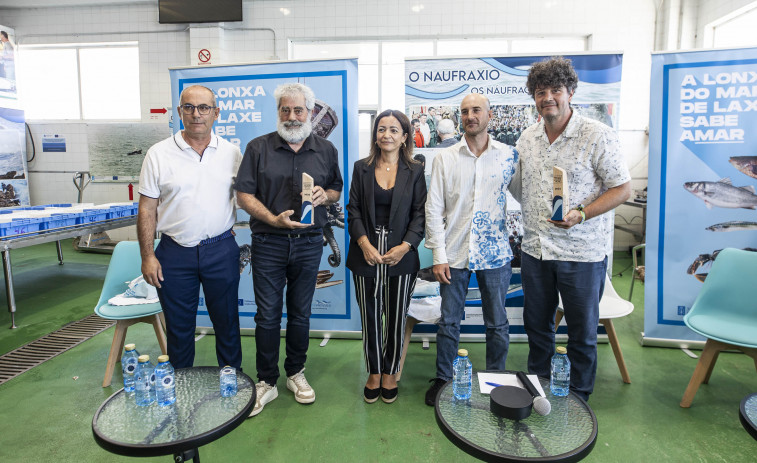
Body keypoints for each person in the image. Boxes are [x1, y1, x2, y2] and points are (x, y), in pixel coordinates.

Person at [510, 56, 631, 401]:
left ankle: (578, 396)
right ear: (533, 96)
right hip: (536, 251)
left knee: (580, 332)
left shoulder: (597, 135)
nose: (548, 97)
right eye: (540, 91)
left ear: (571, 92)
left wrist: (582, 212)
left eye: (555, 90)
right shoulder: (528, 137)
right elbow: (518, 186)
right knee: (538, 327)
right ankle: (539, 388)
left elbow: (622, 188)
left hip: (582, 254)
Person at [235, 83, 343, 417]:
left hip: (309, 244)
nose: (292, 116)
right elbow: (244, 195)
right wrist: (272, 219)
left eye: (298, 110)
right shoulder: (258, 148)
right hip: (268, 243)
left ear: (310, 112)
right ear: (278, 112)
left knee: (300, 313)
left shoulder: (326, 150)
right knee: (267, 315)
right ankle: (266, 381)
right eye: (285, 110)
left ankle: (295, 372)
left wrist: (328, 195)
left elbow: (337, 188)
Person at [137, 85, 243, 371]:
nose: (197, 114)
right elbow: (147, 208)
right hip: (174, 253)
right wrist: (148, 256)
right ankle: (181, 386)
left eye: (204, 107)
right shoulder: (158, 154)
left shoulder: (232, 153)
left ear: (216, 113)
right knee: (179, 329)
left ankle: (232, 385)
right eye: (189, 107)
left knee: (228, 324)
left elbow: (246, 198)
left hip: (221, 249)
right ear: (179, 112)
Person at [424, 93, 519, 406]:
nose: (470, 116)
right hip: (455, 253)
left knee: (497, 323)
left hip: (495, 254)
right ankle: (444, 379)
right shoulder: (445, 158)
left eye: (476, 110)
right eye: (465, 111)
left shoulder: (508, 155)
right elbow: (433, 208)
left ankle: (497, 382)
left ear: (489, 115)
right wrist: (438, 256)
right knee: (449, 322)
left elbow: (527, 196)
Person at [346, 110, 426, 404]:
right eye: (382, 129)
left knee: (395, 316)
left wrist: (405, 246)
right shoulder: (361, 167)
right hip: (365, 252)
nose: (387, 135)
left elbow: (420, 214)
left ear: (405, 137)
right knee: (370, 317)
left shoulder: (415, 170)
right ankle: (374, 371)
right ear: (375, 135)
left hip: (401, 254)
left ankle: (390, 371)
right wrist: (364, 243)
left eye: (394, 130)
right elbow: (353, 209)